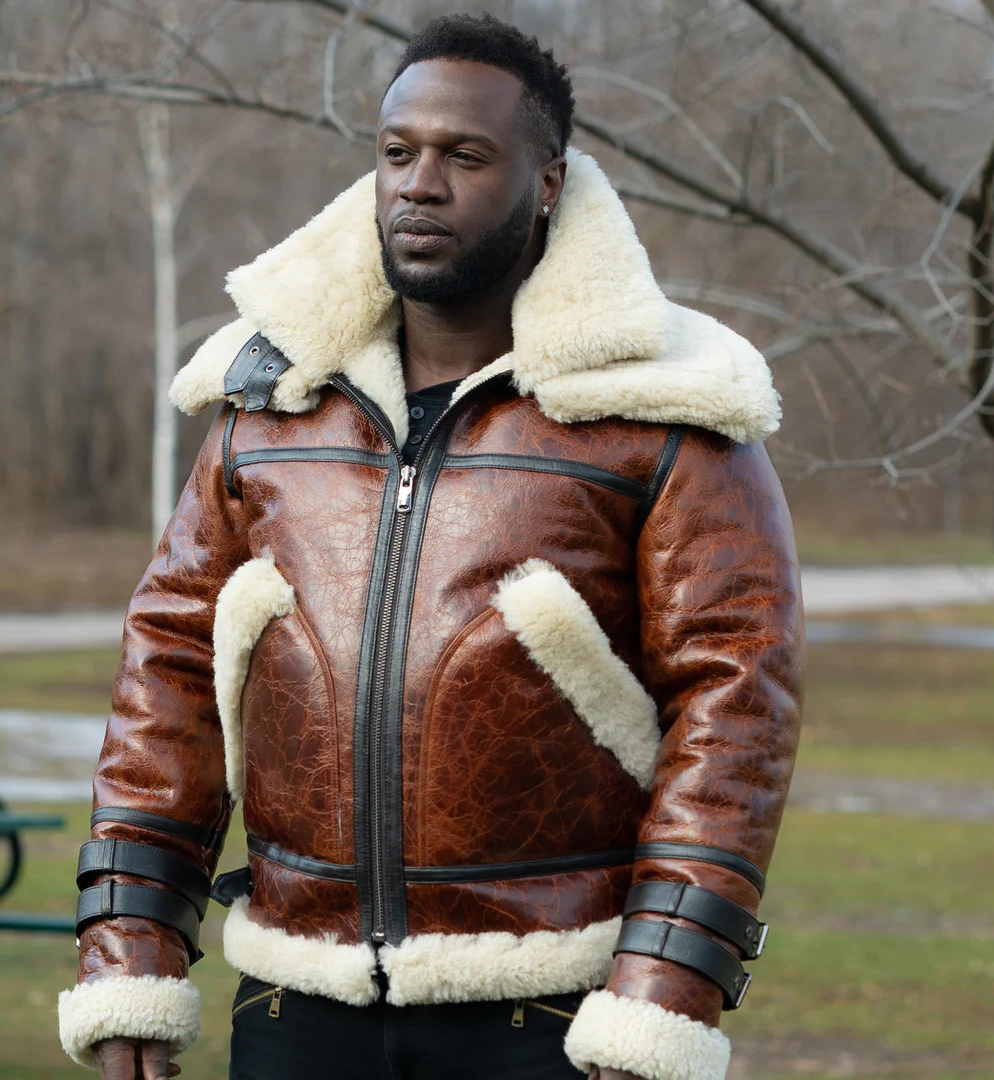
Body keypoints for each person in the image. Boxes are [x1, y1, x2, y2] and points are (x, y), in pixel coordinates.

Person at [58, 13, 802, 1080]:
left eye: (466, 155)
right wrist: (129, 945)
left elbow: (737, 708)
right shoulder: (271, 403)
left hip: (553, 1015)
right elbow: (168, 669)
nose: (420, 183)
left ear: (547, 182)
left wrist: (666, 987)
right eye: (398, 152)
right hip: (291, 1001)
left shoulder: (663, 408)